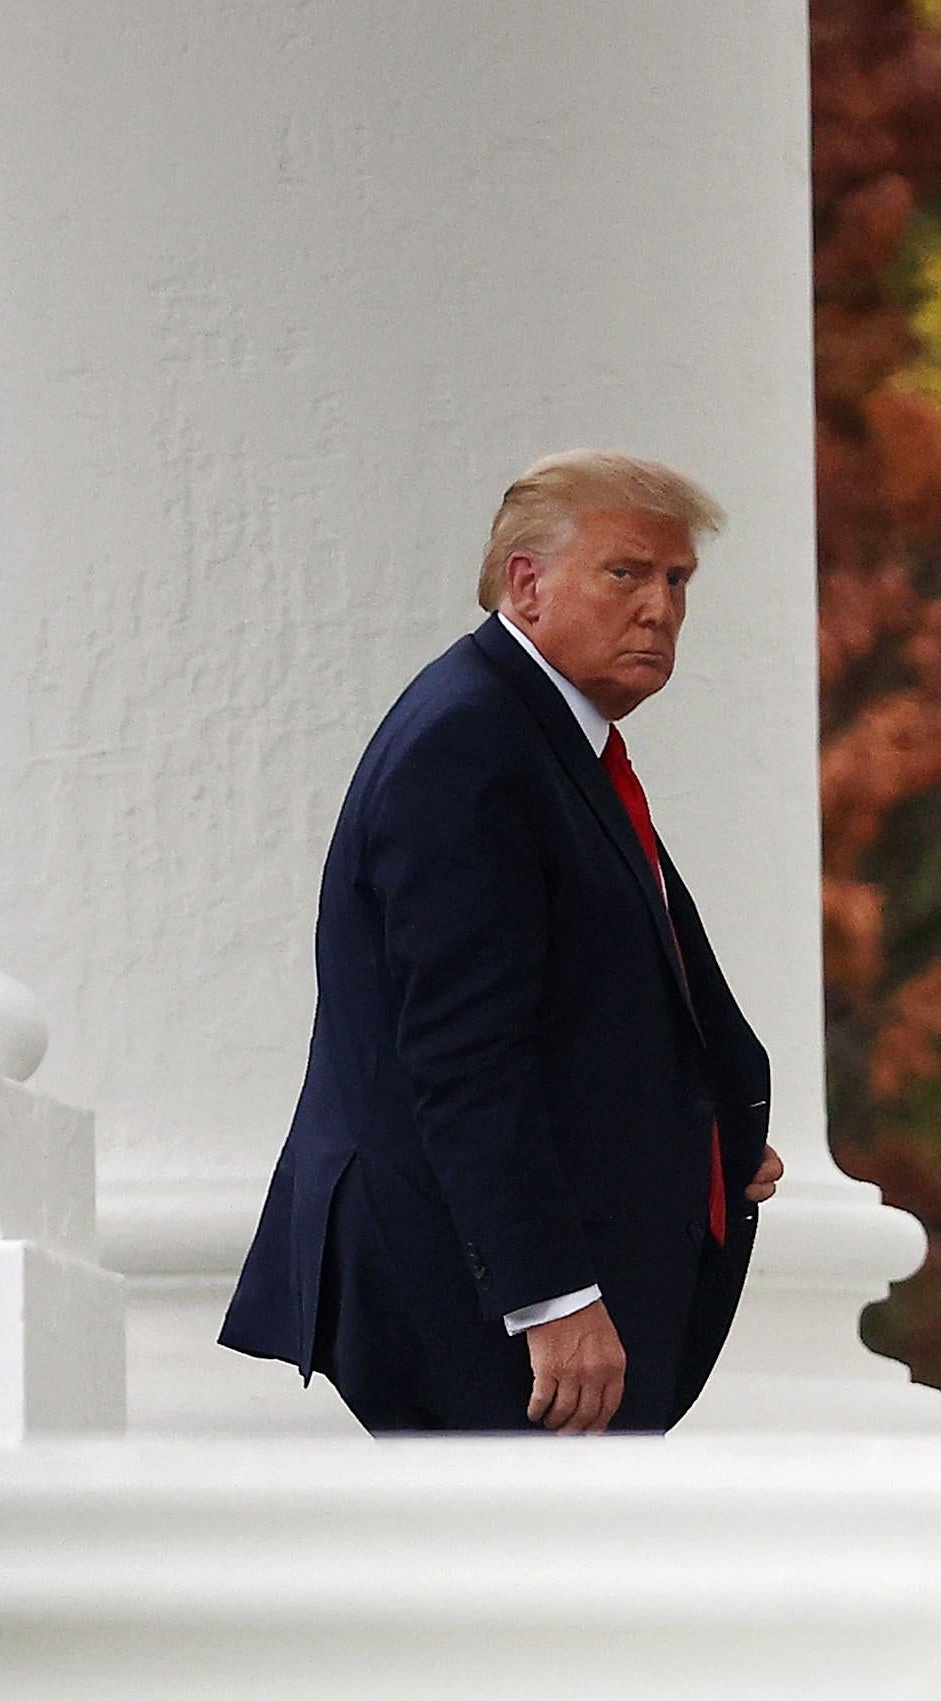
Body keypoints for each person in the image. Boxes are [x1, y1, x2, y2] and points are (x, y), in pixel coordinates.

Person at [218, 451, 783, 1434]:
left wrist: (701, 1133)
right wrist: (552, 1297)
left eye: (677, 579)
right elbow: (464, 1054)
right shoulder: (469, 745)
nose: (660, 607)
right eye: (627, 572)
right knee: (524, 1583)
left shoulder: (538, 738)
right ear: (526, 584)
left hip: (516, 1294)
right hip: (484, 1312)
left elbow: (575, 1003)